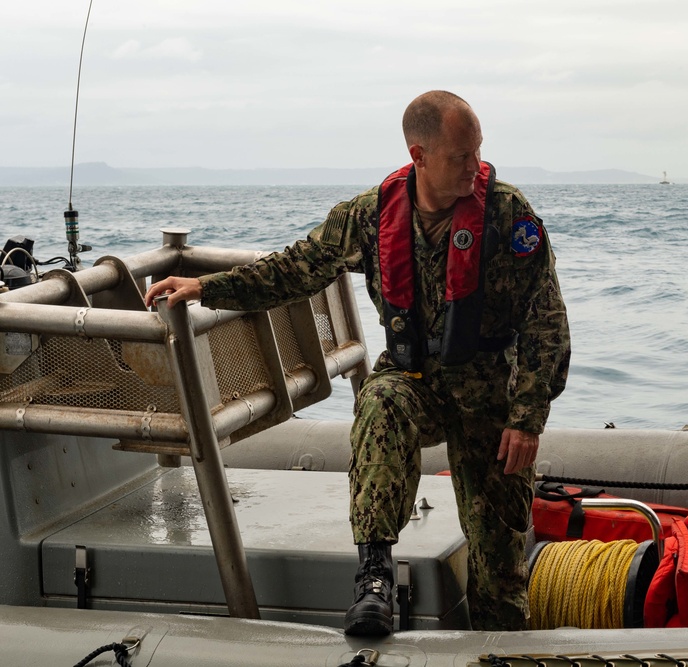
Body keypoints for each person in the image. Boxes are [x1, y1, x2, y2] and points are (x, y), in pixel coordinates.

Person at [145, 90, 572, 635]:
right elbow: (295, 268)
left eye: (478, 151)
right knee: (379, 399)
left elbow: (546, 320)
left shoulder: (509, 215)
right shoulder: (369, 216)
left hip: (492, 395)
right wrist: (206, 286)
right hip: (414, 380)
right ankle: (374, 577)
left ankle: (497, 640)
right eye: (460, 156)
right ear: (419, 155)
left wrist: (527, 417)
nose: (475, 166)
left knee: (500, 575)